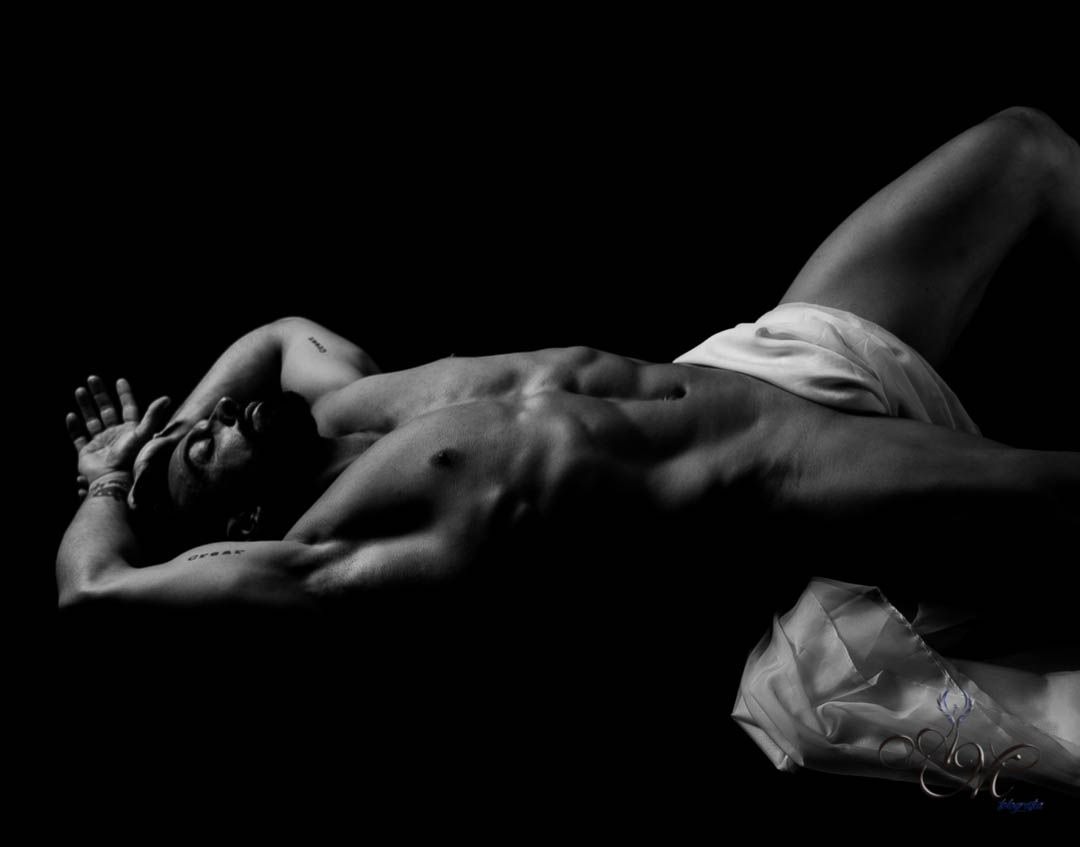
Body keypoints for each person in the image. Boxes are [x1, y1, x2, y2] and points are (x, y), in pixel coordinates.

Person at [56, 105, 1080, 614]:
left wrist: (163, 439)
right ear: (240, 526)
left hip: (761, 362)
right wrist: (109, 483)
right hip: (786, 471)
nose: (214, 419)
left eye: (199, 420)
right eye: (202, 452)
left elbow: (276, 334)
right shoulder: (330, 549)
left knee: (1022, 149)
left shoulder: (347, 401)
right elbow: (92, 592)